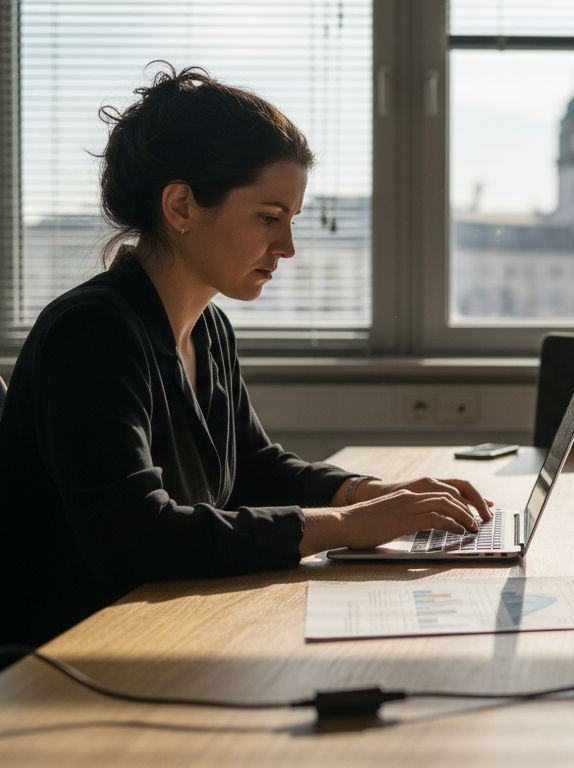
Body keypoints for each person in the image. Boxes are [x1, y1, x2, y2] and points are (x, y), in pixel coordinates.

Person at [0, 65, 491, 649]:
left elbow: (253, 468)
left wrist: (375, 495)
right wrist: (346, 527)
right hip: (73, 656)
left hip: (164, 629)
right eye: (268, 217)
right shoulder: (91, 334)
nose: (286, 247)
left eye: (291, 219)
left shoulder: (207, 327)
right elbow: (134, 537)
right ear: (180, 206)